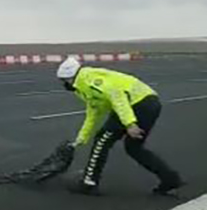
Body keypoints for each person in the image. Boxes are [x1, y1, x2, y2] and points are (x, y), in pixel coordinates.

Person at [57, 57, 184, 195]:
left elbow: (117, 96)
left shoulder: (92, 81)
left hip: (138, 104)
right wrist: (82, 138)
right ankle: (170, 179)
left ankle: (89, 183)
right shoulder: (85, 85)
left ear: (71, 77)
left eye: (64, 81)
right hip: (150, 104)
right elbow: (93, 112)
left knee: (102, 140)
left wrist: (130, 124)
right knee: (133, 148)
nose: (64, 85)